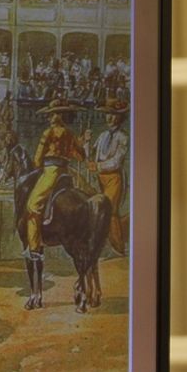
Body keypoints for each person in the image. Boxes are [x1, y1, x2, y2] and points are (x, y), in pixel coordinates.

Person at [25, 100, 86, 257]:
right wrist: (81, 142)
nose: (49, 117)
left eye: (52, 114)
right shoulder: (70, 134)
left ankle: (33, 247)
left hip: (51, 171)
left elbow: (38, 159)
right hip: (66, 171)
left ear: (59, 115)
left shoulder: (48, 133)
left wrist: (38, 165)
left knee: (33, 205)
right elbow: (80, 156)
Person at [91, 99, 130, 254]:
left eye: (114, 115)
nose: (110, 118)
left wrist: (98, 166)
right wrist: (86, 143)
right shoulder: (102, 136)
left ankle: (119, 247)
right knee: (96, 210)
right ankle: (102, 246)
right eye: (108, 114)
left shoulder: (123, 137)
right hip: (99, 178)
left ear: (120, 117)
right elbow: (93, 153)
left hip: (114, 179)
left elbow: (116, 161)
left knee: (110, 211)